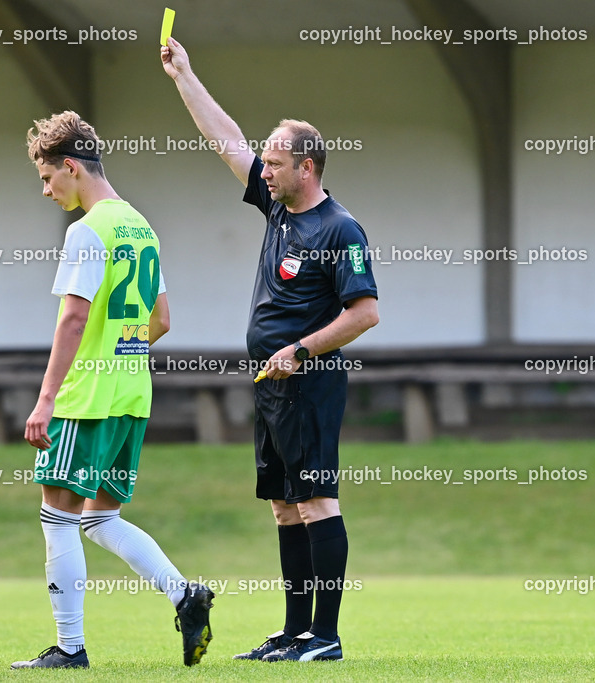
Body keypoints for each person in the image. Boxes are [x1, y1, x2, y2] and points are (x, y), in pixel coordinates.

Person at [162, 38, 380, 662]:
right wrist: (185, 74)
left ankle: (327, 636)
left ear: (306, 167)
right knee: (285, 507)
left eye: (277, 164)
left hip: (308, 384)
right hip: (270, 385)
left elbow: (364, 312)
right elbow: (225, 138)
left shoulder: (339, 229)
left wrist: (302, 350)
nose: (265, 170)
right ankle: (293, 631)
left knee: (317, 501)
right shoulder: (278, 209)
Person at [12, 111, 213, 670]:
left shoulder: (87, 230)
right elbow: (163, 319)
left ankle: (69, 649)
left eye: (48, 179)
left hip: (88, 399)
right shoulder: (140, 226)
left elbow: (73, 319)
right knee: (100, 518)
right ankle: (185, 594)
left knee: (58, 516)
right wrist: (123, 347)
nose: (47, 191)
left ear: (71, 167)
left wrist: (46, 398)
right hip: (132, 395)